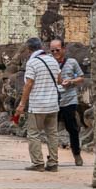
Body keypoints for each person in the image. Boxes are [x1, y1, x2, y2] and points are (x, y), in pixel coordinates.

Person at [14, 37, 62, 172]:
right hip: (52, 104)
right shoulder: (53, 60)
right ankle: (53, 162)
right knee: (52, 134)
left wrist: (22, 104)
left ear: (29, 50)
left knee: (34, 134)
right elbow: (59, 80)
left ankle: (38, 163)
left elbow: (29, 84)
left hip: (38, 104)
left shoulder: (32, 63)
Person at [50, 37, 85, 166]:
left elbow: (81, 78)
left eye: (57, 50)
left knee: (72, 128)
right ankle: (52, 156)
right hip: (53, 99)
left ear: (63, 49)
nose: (55, 53)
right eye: (52, 50)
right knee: (51, 129)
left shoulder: (72, 62)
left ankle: (77, 154)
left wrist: (70, 81)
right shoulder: (49, 62)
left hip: (69, 98)